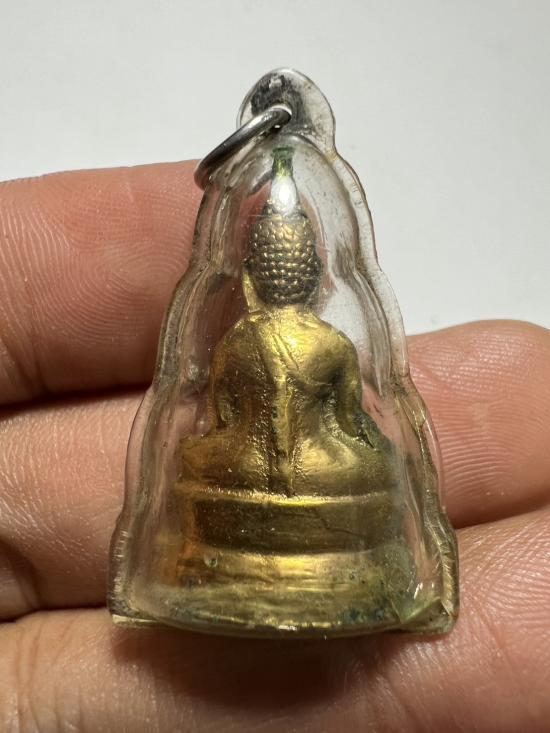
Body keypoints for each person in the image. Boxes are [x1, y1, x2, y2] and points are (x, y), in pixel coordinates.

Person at [0, 160, 548, 732]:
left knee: (195, 456)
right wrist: (368, 449)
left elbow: (223, 419)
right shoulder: (330, 343)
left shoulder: (237, 341)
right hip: (325, 478)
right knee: (378, 458)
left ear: (252, 280)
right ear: (313, 280)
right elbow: (350, 421)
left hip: (240, 479)